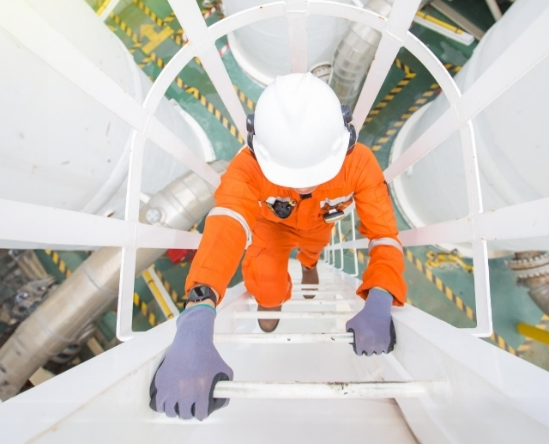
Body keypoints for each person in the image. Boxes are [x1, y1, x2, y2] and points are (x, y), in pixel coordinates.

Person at [149, 73, 406, 421]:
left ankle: (309, 265)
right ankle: (272, 300)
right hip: (270, 231)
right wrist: (199, 306)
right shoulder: (248, 168)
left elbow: (384, 233)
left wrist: (381, 292)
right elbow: (227, 221)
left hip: (318, 230)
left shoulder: (360, 163)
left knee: (312, 253)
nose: (304, 187)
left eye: (316, 176)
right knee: (265, 281)